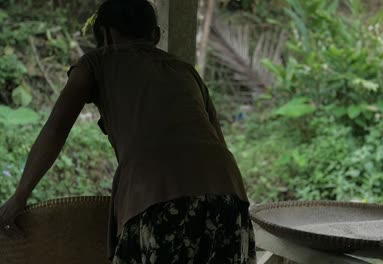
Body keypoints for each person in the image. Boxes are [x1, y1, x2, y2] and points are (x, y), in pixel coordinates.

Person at [0, 0, 257, 263]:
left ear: (107, 35)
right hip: (229, 195)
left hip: (160, 199)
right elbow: (218, 142)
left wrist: (19, 196)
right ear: (155, 36)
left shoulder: (96, 62)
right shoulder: (186, 71)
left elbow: (55, 130)